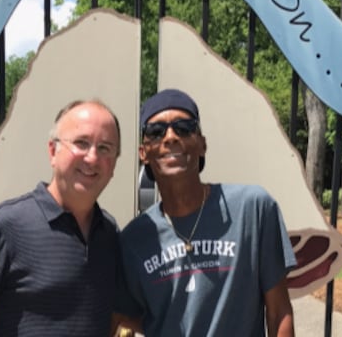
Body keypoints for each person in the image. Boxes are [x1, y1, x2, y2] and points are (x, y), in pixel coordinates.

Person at [115, 89, 297, 336]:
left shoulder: (253, 209)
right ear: (144, 153)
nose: (170, 137)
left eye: (183, 128)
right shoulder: (133, 239)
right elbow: (124, 316)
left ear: (202, 144)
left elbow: (279, 312)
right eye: (156, 132)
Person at [0, 99, 122, 337]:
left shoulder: (110, 234)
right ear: (53, 151)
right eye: (81, 143)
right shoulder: (4, 228)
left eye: (105, 148)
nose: (92, 158)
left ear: (114, 164)